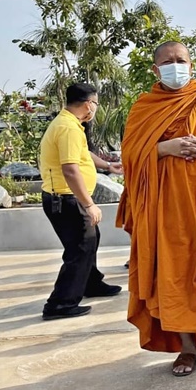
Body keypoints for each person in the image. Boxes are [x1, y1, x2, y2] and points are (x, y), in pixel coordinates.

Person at [117, 41, 196, 376]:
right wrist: (162, 148)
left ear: (191, 64)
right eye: (168, 61)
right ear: (155, 70)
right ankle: (187, 348)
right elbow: (130, 157)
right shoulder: (145, 107)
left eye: (181, 60)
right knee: (175, 275)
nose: (176, 66)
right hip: (166, 209)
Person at [39, 83, 122, 320]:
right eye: (96, 103)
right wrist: (89, 204)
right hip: (66, 199)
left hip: (67, 198)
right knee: (80, 248)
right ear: (88, 104)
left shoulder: (70, 123)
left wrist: (108, 166)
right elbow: (70, 169)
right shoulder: (68, 128)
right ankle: (60, 304)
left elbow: (83, 155)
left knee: (90, 241)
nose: (95, 108)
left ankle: (90, 283)